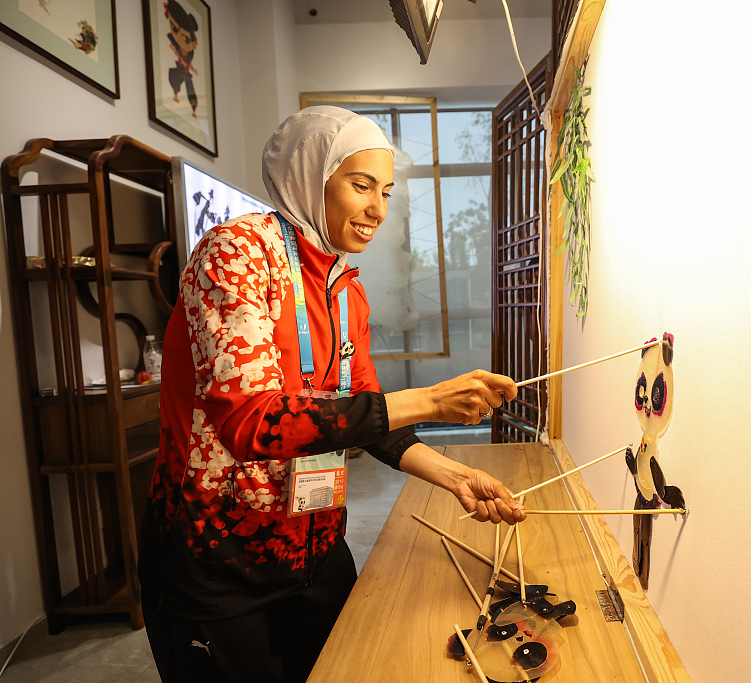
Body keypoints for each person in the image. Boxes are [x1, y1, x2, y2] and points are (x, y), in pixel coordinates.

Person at [139, 106, 525, 683]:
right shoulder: (234, 256)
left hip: (314, 552)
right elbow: (251, 422)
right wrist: (431, 400)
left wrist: (454, 476)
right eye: (360, 185)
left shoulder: (345, 286)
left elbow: (365, 412)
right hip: (217, 563)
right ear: (308, 176)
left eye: (387, 191)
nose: (378, 209)